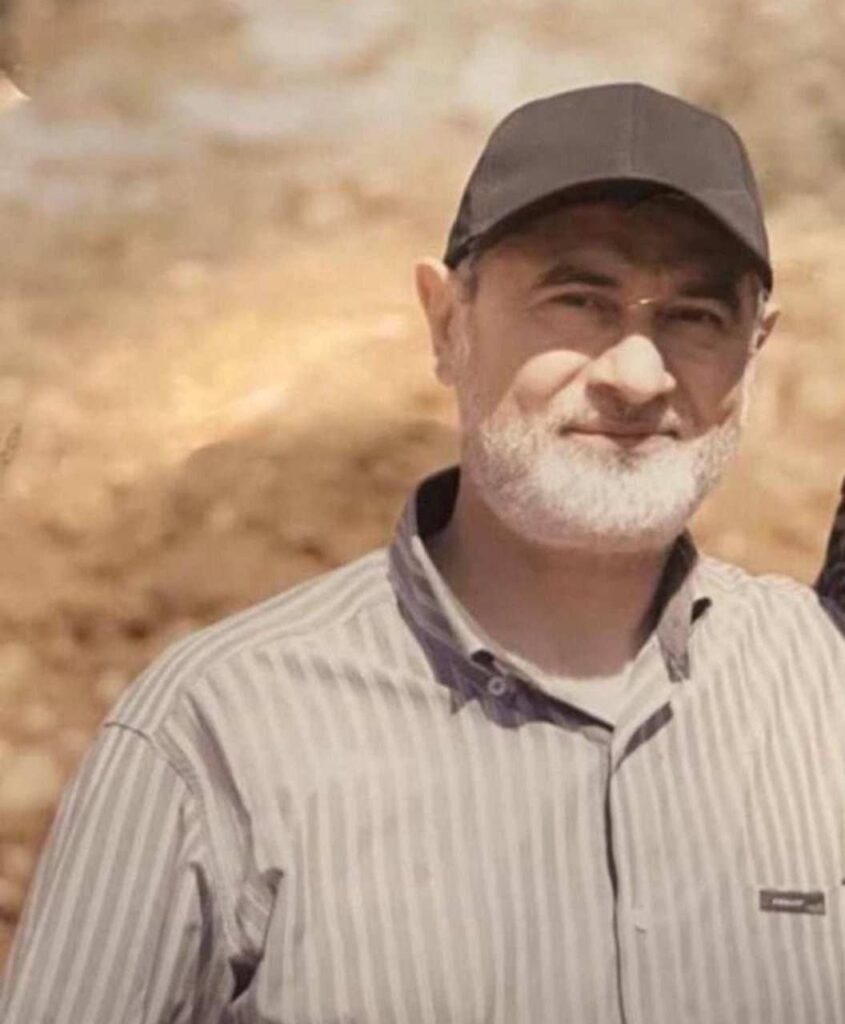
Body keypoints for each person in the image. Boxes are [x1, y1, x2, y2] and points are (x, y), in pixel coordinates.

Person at [3, 81, 845, 1024]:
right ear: (447, 323)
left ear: (755, 348)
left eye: (694, 317)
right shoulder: (215, 731)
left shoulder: (826, 690)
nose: (637, 375)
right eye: (577, 301)